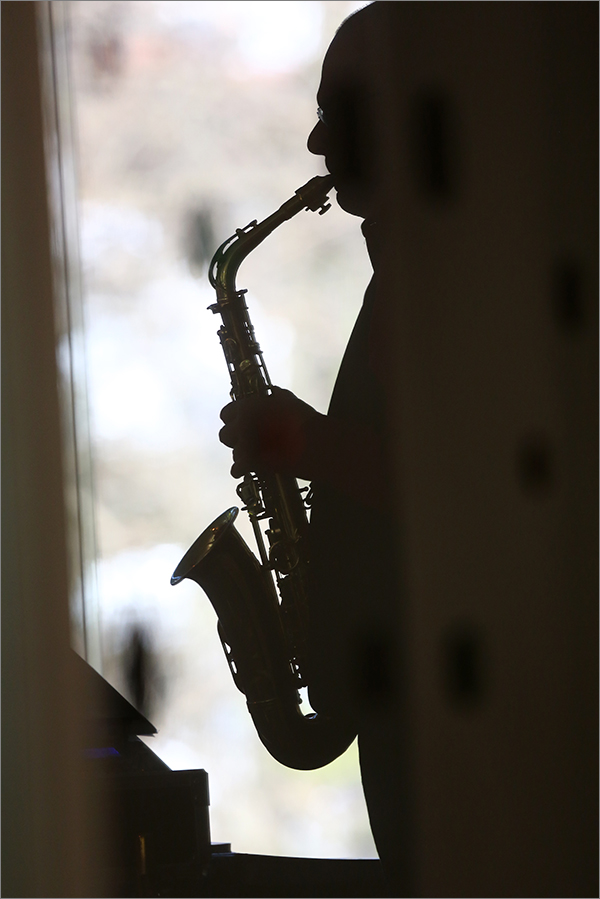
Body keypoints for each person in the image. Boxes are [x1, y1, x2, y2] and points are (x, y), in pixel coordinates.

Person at [219, 3, 409, 892]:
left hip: (445, 713)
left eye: (340, 111)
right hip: (404, 706)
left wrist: (302, 443)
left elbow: (469, 491)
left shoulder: (460, 282)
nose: (314, 141)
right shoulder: (406, 273)